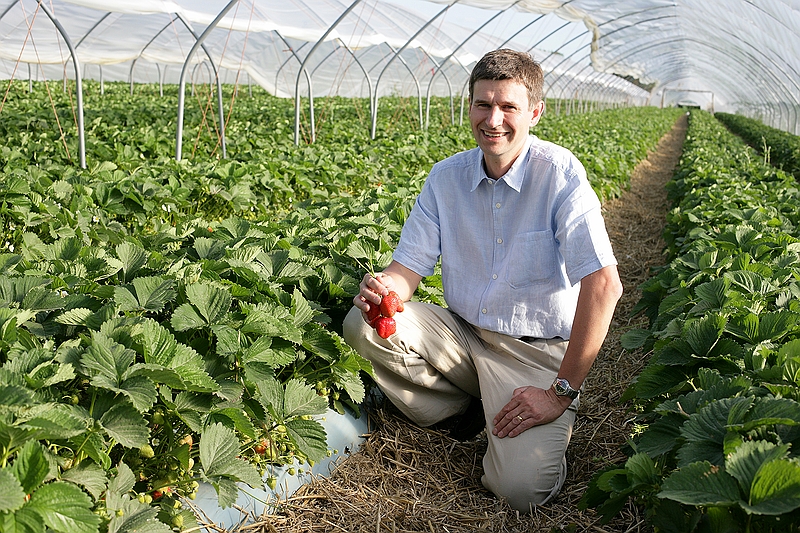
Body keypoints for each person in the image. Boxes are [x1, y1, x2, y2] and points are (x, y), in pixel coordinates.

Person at [342, 48, 623, 512]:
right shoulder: (445, 178)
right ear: (469, 106)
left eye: (508, 106)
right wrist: (384, 291)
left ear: (535, 112)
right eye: (482, 104)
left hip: (535, 352)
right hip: (465, 334)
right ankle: (470, 411)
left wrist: (560, 394)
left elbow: (604, 285)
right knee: (362, 325)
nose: (493, 120)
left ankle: (531, 426)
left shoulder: (559, 176)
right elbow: (407, 269)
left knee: (519, 490)